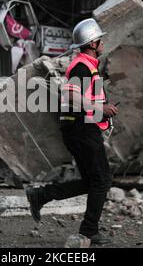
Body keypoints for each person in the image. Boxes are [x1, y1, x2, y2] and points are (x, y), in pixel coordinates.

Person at [26, 18, 118, 245]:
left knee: (92, 181)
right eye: (100, 39)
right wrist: (100, 108)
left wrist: (103, 112)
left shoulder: (89, 66)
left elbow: (86, 100)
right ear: (93, 43)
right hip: (81, 130)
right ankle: (88, 232)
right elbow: (70, 95)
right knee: (102, 180)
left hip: (81, 129)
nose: (103, 42)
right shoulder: (81, 66)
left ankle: (42, 195)